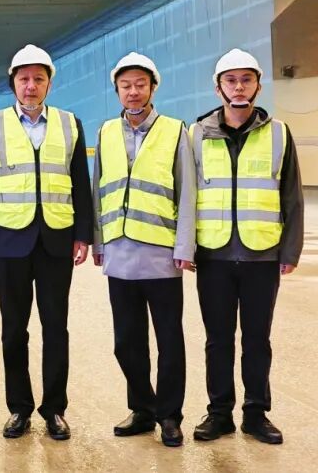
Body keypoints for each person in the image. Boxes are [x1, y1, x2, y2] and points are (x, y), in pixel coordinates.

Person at [0, 44, 92, 441]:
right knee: (14, 329)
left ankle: (54, 410)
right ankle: (19, 409)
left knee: (56, 328)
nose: (31, 86)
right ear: (13, 84)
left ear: (49, 84)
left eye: (38, 79)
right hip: (9, 240)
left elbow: (80, 182)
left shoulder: (70, 124)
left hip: (57, 238)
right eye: (24, 79)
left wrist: (83, 234)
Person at [191, 49, 304, 446]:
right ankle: (219, 413)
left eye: (246, 80)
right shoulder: (196, 134)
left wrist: (289, 250)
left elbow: (292, 195)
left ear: (257, 85)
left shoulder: (279, 134)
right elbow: (187, 194)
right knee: (218, 340)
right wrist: (186, 247)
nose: (238, 87)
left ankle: (256, 413)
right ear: (218, 87)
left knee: (257, 339)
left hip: (262, 254)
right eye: (231, 80)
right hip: (213, 255)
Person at [92, 53, 195, 448]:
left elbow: (187, 191)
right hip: (119, 253)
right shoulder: (106, 132)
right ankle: (142, 408)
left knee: (169, 341)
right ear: (117, 90)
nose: (133, 92)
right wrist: (99, 241)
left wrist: (184, 245)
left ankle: (169, 415)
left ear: (153, 88)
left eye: (140, 85)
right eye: (125, 86)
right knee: (126, 342)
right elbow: (98, 188)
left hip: (161, 255)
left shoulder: (174, 131)